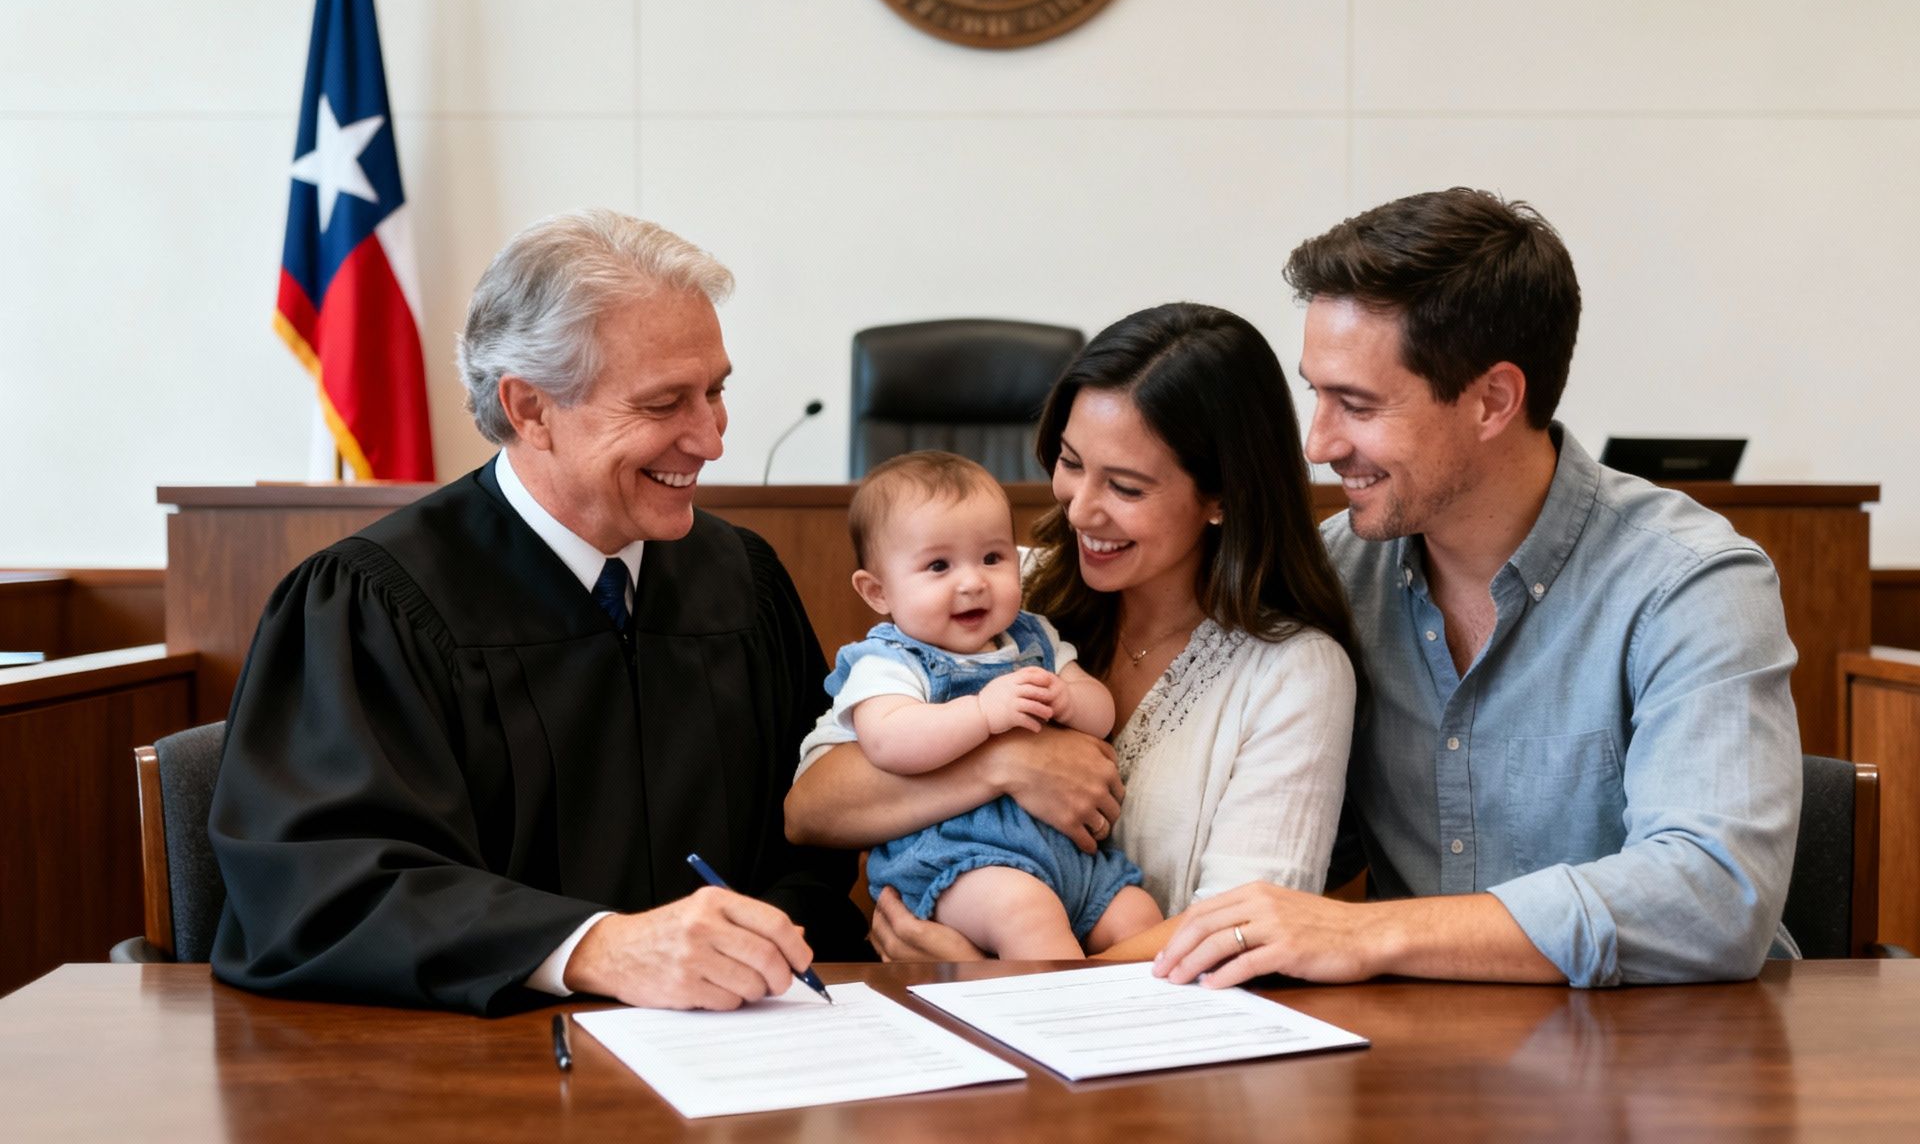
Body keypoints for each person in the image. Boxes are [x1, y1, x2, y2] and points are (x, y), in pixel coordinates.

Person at [210, 210, 867, 1015]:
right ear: (529, 409)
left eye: (716, 391)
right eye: (664, 404)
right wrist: (595, 947)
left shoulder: (742, 582)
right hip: (478, 1074)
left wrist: (762, 940)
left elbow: (804, 839)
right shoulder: (371, 605)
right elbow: (324, 889)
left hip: (743, 1049)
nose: (711, 439)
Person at [1154, 188, 1802, 991]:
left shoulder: (1689, 582)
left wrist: (1369, 933)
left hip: (1664, 1070)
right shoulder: (1332, 578)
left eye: (1356, 404)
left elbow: (1713, 899)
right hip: (1412, 1068)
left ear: (1493, 400)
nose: (1319, 443)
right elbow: (1282, 835)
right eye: (1315, 394)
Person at [786, 303, 1360, 960]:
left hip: (1159, 1042)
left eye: (1125, 486)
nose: (1080, 508)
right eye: (1069, 461)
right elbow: (812, 808)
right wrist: (1004, 763)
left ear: (1222, 496)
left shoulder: (1293, 673)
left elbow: (1239, 930)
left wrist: (990, 976)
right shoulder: (1001, 592)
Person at [813, 450, 1163, 957]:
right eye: (938, 565)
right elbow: (890, 741)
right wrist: (982, 713)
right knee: (1029, 916)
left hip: (1069, 857)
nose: (973, 581)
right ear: (877, 592)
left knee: (1138, 916)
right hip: (962, 860)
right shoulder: (890, 662)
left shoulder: (1031, 636)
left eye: (993, 558)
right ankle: (1061, 1029)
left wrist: (1069, 697)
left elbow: (1101, 714)